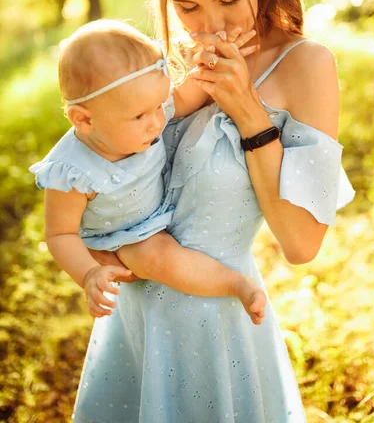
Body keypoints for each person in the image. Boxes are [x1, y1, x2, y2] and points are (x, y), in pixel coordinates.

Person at [72, 0, 355, 422]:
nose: (212, 25)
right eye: (187, 7)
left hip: (218, 327)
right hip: (133, 320)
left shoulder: (307, 67)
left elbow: (301, 243)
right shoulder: (168, 66)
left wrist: (249, 113)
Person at [29, 19, 266, 323]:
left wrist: (216, 58)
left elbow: (186, 96)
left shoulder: (148, 109)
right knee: (159, 258)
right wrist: (89, 273)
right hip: (124, 236)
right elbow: (60, 233)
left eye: (158, 106)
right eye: (140, 115)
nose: (156, 122)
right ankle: (236, 284)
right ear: (84, 120)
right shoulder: (73, 172)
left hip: (165, 201)